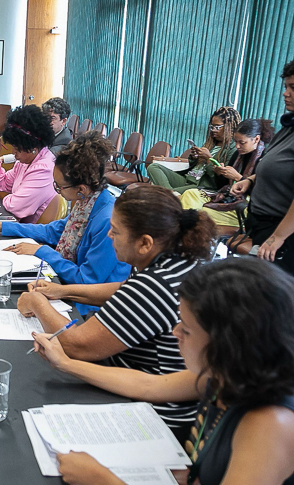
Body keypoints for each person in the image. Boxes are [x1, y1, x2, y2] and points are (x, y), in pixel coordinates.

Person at [32, 257, 294, 485]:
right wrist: (65, 363)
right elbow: (150, 385)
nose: (175, 332)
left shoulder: (271, 424)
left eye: (187, 330)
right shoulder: (228, 373)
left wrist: (103, 480)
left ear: (228, 344)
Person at [17, 185, 216, 431]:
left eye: (117, 231)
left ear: (145, 243)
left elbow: (76, 345)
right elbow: (125, 287)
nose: (109, 234)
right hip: (146, 386)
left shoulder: (154, 285)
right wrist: (62, 290)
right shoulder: (175, 259)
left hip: (155, 416)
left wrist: (38, 304)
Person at [0, 131, 131, 315]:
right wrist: (3, 226)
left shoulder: (107, 222)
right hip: (69, 288)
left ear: (81, 188)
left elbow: (86, 282)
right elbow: (53, 231)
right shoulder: (86, 202)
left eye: (59, 187)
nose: (57, 191)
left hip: (92, 310)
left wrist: (41, 251)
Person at [231, 59, 294, 274]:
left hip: (282, 233)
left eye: (293, 87)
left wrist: (278, 237)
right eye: (285, 87)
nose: (285, 93)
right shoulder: (288, 127)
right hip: (261, 225)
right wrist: (250, 180)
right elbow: (274, 167)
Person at [180, 118, 273, 227]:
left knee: (200, 212)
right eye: (236, 142)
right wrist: (220, 174)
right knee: (190, 194)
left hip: (246, 206)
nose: (237, 146)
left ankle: (189, 233)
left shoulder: (266, 159)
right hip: (227, 197)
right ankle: (189, 231)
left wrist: (239, 178)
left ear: (256, 139)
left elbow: (263, 194)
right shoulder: (238, 155)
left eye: (242, 143)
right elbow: (222, 186)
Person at [0, 104, 57, 223]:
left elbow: (15, 207)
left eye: (17, 148)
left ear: (32, 147)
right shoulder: (25, 161)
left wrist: (4, 196)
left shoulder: (44, 169)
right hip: (18, 224)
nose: (13, 152)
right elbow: (0, 185)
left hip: (30, 234)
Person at [147, 107, 241, 193]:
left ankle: (170, 195)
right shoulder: (211, 143)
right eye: (211, 127)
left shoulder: (233, 150)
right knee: (153, 167)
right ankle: (171, 194)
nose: (213, 130)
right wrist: (194, 157)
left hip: (202, 185)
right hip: (189, 178)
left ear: (229, 127)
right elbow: (196, 165)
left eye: (217, 127)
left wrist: (209, 158)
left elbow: (221, 181)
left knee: (164, 192)